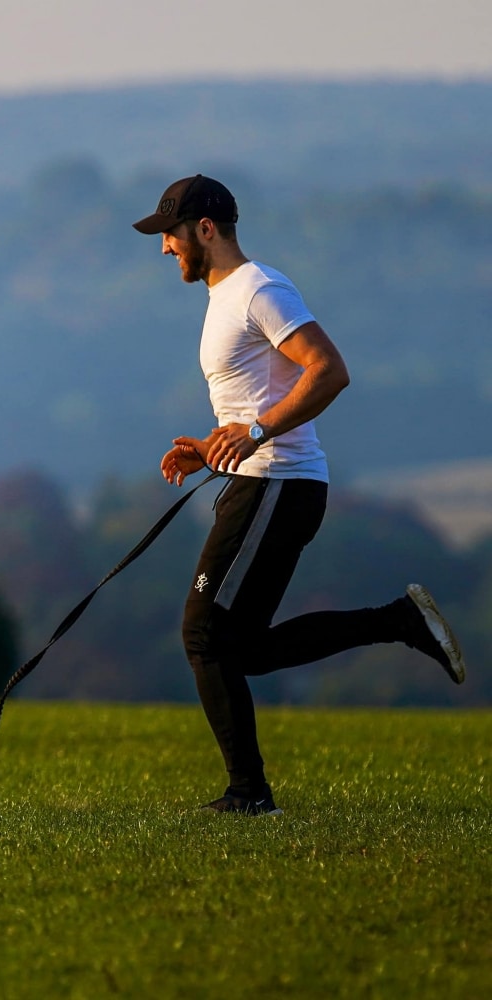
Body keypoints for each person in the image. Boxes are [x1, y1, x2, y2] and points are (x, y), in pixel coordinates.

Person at [132, 174, 466, 816]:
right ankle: (399, 620)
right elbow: (254, 398)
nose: (165, 249)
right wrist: (211, 446)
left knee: (202, 634)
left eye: (171, 234)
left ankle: (248, 795)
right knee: (240, 649)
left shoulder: (260, 289)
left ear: (205, 229)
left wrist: (255, 434)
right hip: (265, 483)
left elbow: (329, 370)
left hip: (277, 486)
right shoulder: (224, 297)